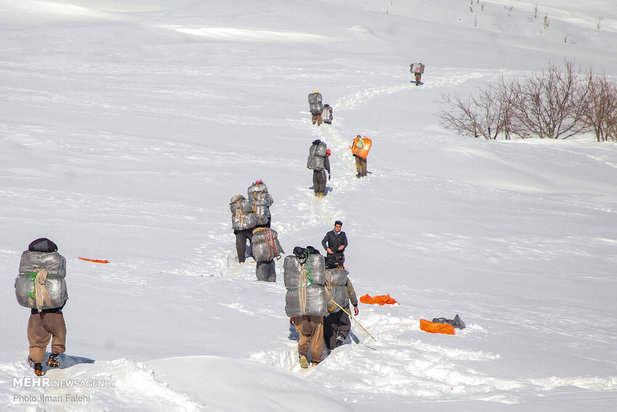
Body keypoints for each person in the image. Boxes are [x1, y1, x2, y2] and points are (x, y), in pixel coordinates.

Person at [15, 238, 68, 376]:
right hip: (54, 312)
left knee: (36, 339)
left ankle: (38, 364)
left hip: (35, 313)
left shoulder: (28, 261)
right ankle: (55, 355)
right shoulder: (56, 262)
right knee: (59, 334)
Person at [285, 247, 327, 368]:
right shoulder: (317, 270)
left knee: (304, 333)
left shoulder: (296, 274)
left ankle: (302, 354)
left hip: (300, 306)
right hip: (316, 307)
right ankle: (315, 360)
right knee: (317, 334)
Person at [324, 266, 359, 350]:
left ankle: (331, 348)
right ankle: (341, 336)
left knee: (330, 327)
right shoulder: (343, 277)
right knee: (345, 324)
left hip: (329, 307)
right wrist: (355, 304)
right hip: (342, 306)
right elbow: (351, 291)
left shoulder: (324, 275)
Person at [230, 194, 257, 264]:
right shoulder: (247, 203)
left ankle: (241, 260)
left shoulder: (233, 206)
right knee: (254, 241)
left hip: (239, 228)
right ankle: (256, 256)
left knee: (240, 244)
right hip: (250, 227)